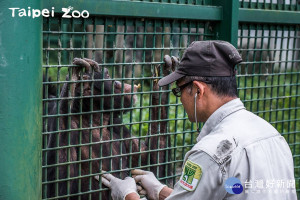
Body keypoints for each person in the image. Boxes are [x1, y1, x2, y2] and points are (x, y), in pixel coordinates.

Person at [100, 40, 297, 200]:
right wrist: (163, 192)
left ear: (197, 90)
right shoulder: (272, 135)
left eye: (179, 91)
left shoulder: (210, 153)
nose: (180, 99)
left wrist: (128, 195)